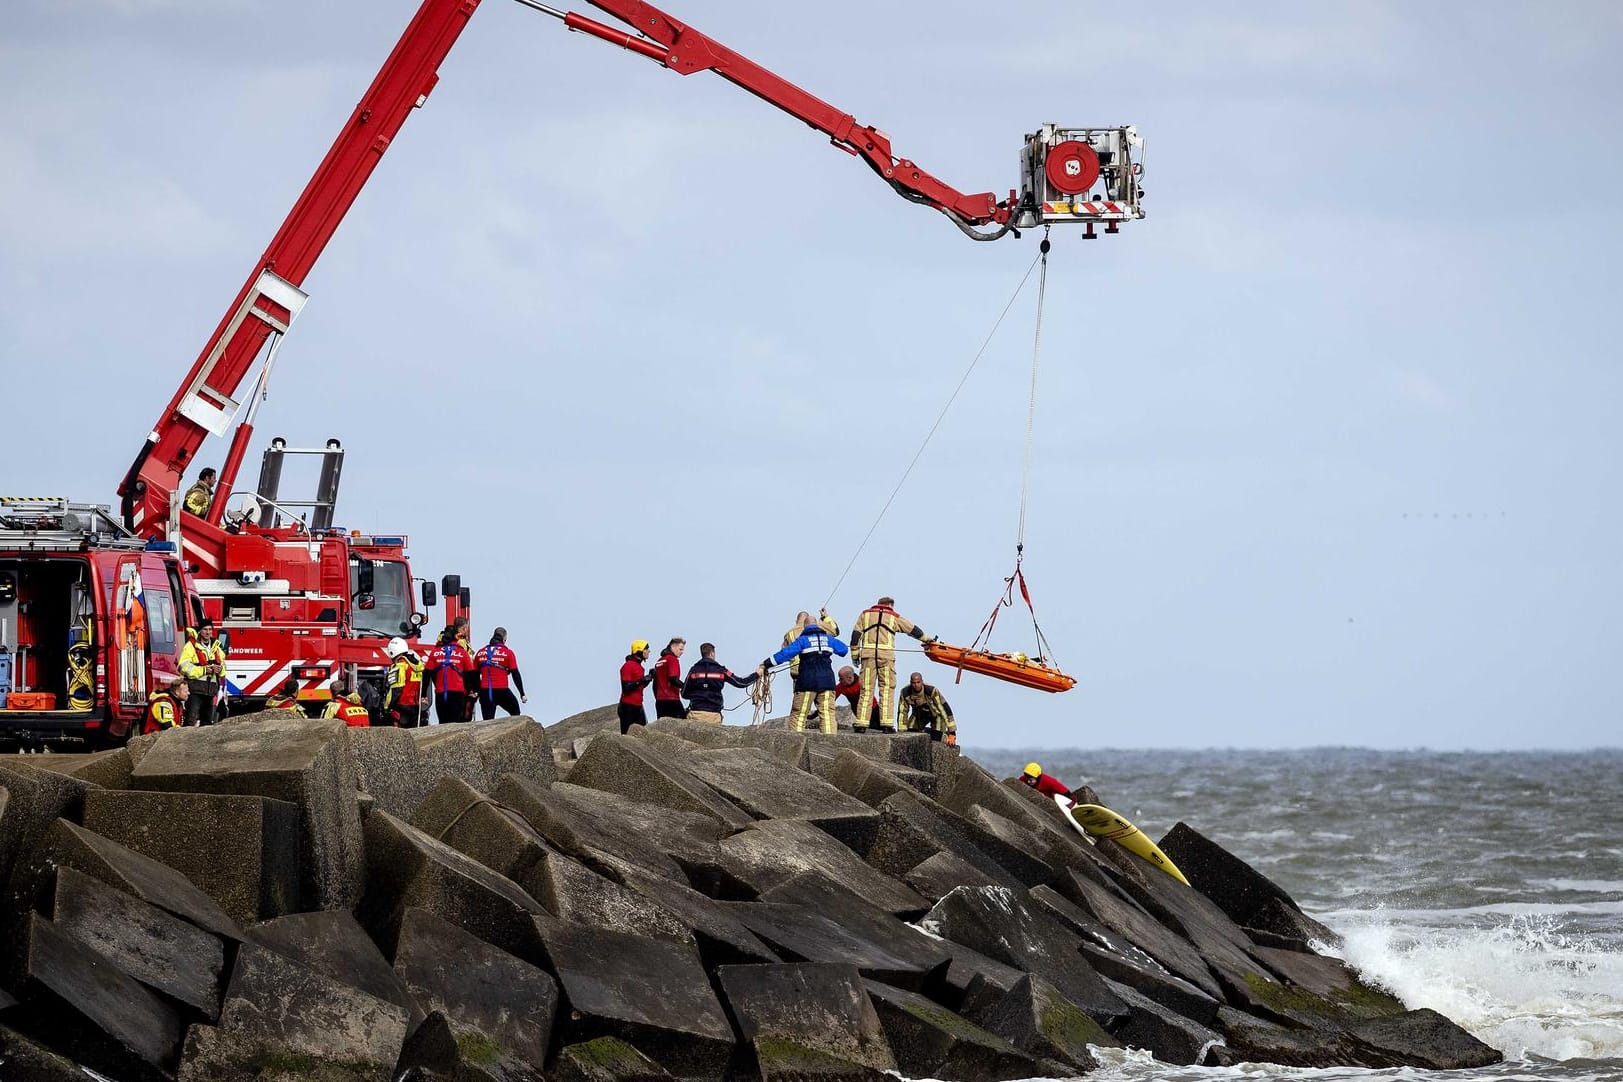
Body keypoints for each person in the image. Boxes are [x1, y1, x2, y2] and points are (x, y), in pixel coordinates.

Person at [848, 597, 933, 733]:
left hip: (868, 657)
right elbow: (912, 629)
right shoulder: (893, 616)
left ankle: (861, 723)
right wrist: (927, 639)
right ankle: (886, 725)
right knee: (887, 689)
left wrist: (855, 656)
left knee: (866, 690)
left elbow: (855, 636)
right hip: (886, 657)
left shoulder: (865, 614)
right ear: (889, 605)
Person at [764, 618, 848, 735]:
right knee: (827, 715)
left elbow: (784, 654)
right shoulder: (828, 639)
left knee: (799, 714)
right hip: (827, 683)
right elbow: (844, 650)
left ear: (805, 627)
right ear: (818, 626)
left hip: (807, 683)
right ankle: (830, 743)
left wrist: (766, 664)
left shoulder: (802, 640)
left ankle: (796, 745)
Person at [682, 643, 758, 724]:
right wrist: (757, 674)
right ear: (712, 653)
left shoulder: (693, 670)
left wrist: (698, 694)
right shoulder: (721, 670)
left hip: (695, 714)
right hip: (714, 716)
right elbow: (741, 683)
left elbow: (684, 693)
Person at [178, 620, 226, 727]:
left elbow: (223, 669)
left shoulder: (216, 648)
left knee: (208, 724)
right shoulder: (191, 646)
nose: (208, 632)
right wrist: (204, 670)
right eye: (205, 629)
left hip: (210, 692)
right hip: (195, 691)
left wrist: (219, 669)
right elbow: (183, 667)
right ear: (200, 631)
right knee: (190, 721)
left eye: (210, 629)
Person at [425, 626, 476, 725]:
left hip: (440, 693)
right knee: (454, 723)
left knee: (442, 723)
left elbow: (427, 673)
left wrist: (423, 695)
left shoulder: (435, 652)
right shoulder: (462, 652)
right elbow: (471, 673)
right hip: (457, 693)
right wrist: (472, 690)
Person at [475, 627, 528, 719]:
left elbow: (474, 674)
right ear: (504, 639)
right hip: (502, 691)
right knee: (515, 712)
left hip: (485, 692)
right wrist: (522, 694)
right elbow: (515, 674)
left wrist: (476, 690)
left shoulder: (480, 652)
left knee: (487, 721)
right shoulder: (508, 653)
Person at [899, 671, 957, 744]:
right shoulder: (905, 692)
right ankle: (924, 732)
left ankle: (944, 736)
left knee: (936, 738)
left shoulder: (931, 690)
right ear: (911, 683)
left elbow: (943, 708)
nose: (916, 685)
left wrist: (952, 732)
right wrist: (901, 732)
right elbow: (902, 712)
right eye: (914, 683)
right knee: (910, 732)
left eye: (918, 682)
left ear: (922, 682)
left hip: (936, 715)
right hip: (919, 714)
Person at [384, 636, 425, 727]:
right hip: (415, 707)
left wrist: (387, 707)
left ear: (392, 651)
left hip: (401, 707)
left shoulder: (400, 666)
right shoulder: (417, 666)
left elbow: (396, 689)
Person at [618, 640, 655, 733]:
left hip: (638, 706)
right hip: (627, 706)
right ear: (639, 651)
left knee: (643, 734)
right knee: (626, 736)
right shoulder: (628, 666)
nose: (649, 651)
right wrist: (642, 680)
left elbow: (639, 687)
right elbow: (626, 688)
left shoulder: (639, 667)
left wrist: (650, 677)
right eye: (646, 649)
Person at [653, 638, 687, 719]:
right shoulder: (672, 659)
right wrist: (686, 687)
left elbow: (655, 683)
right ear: (673, 647)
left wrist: (657, 697)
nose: (682, 652)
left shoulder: (659, 661)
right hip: (672, 699)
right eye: (680, 649)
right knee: (683, 725)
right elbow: (673, 679)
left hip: (660, 701)